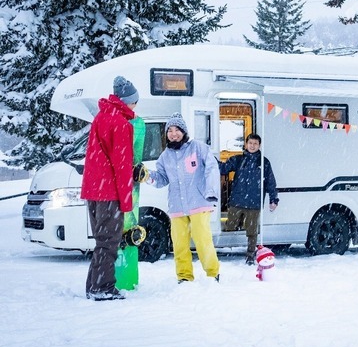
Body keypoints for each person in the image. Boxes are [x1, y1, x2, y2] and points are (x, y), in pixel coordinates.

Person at [137, 113, 221, 283]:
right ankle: (184, 276)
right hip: (177, 206)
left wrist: (211, 191)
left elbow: (212, 168)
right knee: (179, 243)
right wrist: (147, 176)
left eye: (177, 130)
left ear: (184, 131)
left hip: (199, 202)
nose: (173, 133)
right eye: (170, 130)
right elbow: (161, 179)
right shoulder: (164, 157)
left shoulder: (198, 148)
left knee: (202, 239)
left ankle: (213, 273)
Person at [81, 76, 139, 301]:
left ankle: (93, 285)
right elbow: (122, 165)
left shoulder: (101, 117)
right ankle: (103, 288)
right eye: (134, 101)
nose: (135, 106)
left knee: (101, 241)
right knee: (109, 242)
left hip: (93, 191)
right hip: (109, 193)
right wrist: (127, 202)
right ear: (127, 101)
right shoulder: (121, 124)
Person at [219, 133, 278, 265]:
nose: (252, 146)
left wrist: (274, 199)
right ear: (246, 144)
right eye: (250, 143)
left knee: (252, 231)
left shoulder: (264, 162)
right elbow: (223, 168)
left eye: (255, 144)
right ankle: (228, 244)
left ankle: (250, 255)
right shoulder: (238, 159)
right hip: (237, 201)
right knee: (230, 226)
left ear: (259, 145)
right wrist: (210, 160)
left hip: (254, 203)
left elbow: (270, 182)